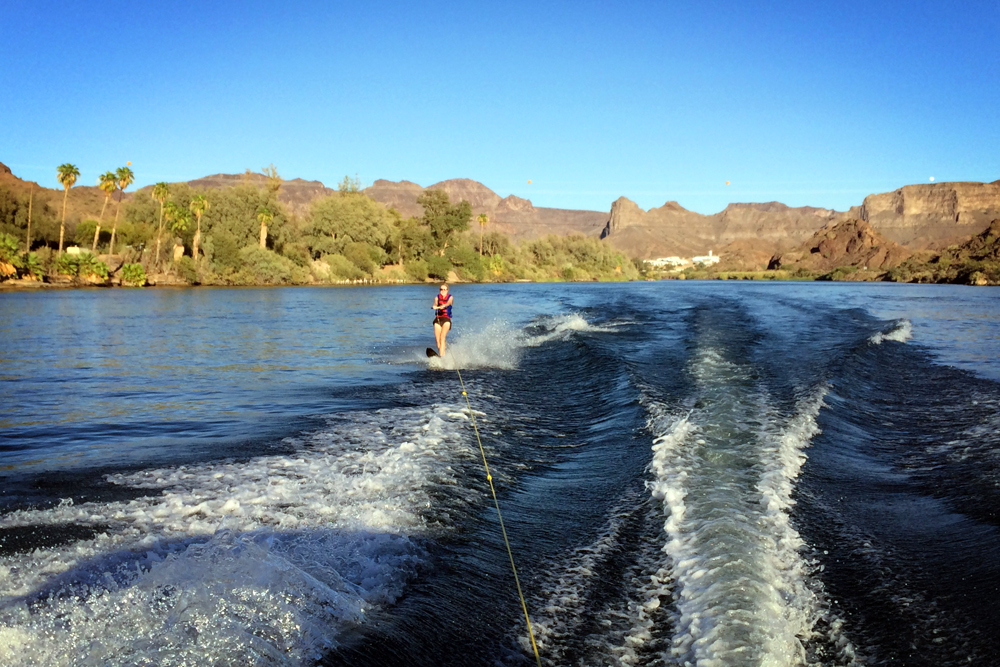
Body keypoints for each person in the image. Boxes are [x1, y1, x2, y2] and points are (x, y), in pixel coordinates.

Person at [432, 283, 453, 357]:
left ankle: (442, 356)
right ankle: (442, 353)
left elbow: (449, 303)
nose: (443, 291)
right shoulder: (437, 298)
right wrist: (434, 306)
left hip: (446, 319)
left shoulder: (450, 297)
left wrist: (444, 305)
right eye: (441, 289)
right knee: (438, 341)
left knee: (442, 337)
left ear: (447, 290)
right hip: (438, 319)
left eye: (444, 289)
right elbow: (435, 304)